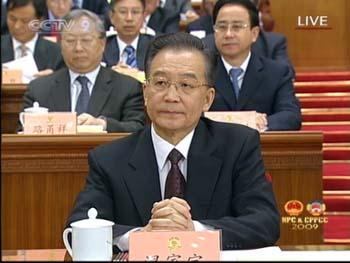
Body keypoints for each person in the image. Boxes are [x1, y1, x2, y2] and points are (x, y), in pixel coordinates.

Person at [66, 32, 280, 251]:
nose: (171, 96)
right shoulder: (109, 159)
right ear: (145, 93)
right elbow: (77, 230)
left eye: (186, 85)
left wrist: (194, 231)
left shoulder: (238, 145)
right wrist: (141, 237)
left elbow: (264, 223)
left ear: (207, 99)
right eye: (160, 82)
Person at [20, 9, 145, 133]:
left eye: (86, 40)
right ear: (61, 45)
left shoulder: (127, 87)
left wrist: (103, 125)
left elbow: (137, 128)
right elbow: (22, 133)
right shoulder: (39, 89)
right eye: (70, 41)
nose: (78, 48)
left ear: (102, 44)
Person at [208, 0, 301, 131]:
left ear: (254, 33)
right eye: (222, 27)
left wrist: (263, 122)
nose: (228, 34)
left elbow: (291, 116)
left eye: (237, 27)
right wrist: (246, 121)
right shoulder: (201, 72)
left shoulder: (277, 73)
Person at [1, 0, 64, 76]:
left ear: (40, 21)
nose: (17, 26)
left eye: (25, 21)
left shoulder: (57, 53)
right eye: (13, 19)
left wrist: (53, 80)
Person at [102, 0, 154, 71]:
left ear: (144, 16)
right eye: (123, 12)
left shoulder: (156, 47)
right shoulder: (101, 46)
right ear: (111, 16)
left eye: (135, 12)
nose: (129, 18)